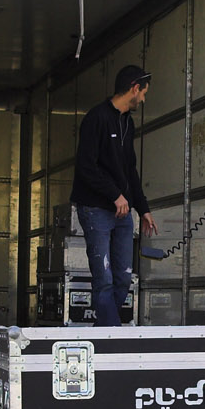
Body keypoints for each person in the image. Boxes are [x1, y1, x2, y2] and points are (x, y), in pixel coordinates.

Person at [69, 64, 157, 326]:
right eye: (144, 93)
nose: (144, 99)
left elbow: (130, 170)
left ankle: (104, 330)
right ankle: (111, 335)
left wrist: (143, 208)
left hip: (122, 213)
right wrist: (115, 195)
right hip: (95, 209)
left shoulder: (128, 123)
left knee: (123, 278)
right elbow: (86, 167)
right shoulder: (96, 118)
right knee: (104, 279)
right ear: (134, 88)